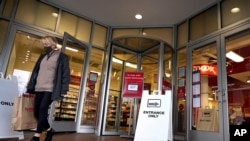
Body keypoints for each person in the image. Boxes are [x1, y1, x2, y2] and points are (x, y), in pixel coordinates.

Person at [27, 35, 70, 141]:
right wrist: (30, 85)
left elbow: (65, 74)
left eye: (46, 43)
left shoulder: (61, 57)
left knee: (42, 109)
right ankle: (50, 130)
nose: (44, 45)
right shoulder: (42, 56)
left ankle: (37, 135)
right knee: (37, 112)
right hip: (38, 87)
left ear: (53, 44)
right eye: (43, 44)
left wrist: (63, 90)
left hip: (50, 89)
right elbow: (35, 72)